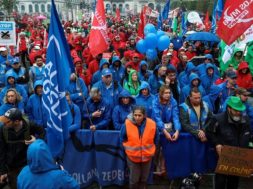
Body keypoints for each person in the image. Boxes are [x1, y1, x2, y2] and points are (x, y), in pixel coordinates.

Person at [205, 96, 251, 189]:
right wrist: (217, 143)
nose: (238, 113)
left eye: (240, 110)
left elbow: (247, 135)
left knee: (234, 181)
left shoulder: (245, 120)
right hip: (224, 155)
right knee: (221, 181)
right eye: (236, 110)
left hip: (239, 156)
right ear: (229, 108)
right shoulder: (218, 119)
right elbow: (209, 132)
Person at [0, 108, 45, 189]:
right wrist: (3, 171)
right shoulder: (2, 129)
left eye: (8, 121)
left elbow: (43, 132)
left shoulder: (30, 125)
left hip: (27, 166)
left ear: (17, 121)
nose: (4, 123)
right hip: (11, 166)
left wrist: (37, 140)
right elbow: (1, 151)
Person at [120, 106, 159, 189]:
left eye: (139, 115)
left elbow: (156, 138)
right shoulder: (127, 124)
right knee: (134, 180)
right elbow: (122, 138)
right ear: (133, 114)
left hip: (147, 157)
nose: (137, 117)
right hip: (132, 157)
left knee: (144, 179)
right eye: (135, 115)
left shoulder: (152, 124)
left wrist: (152, 150)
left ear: (144, 115)